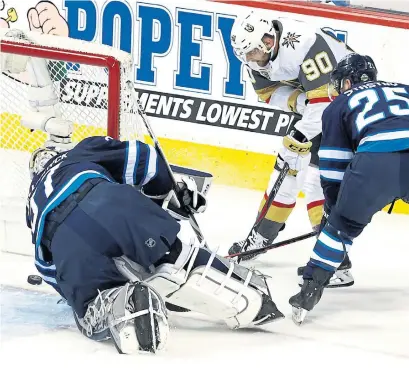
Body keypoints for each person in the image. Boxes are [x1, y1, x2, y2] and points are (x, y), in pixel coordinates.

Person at [228, 10, 355, 288]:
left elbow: (325, 102)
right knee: (288, 170)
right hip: (321, 106)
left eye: (252, 52)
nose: (248, 59)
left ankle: (336, 263)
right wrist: (302, 104)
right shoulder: (256, 57)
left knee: (314, 181)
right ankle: (262, 236)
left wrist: (300, 131)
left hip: (348, 106)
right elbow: (269, 94)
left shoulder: (305, 43)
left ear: (268, 41)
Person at [289, 53, 409, 324]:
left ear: (346, 82)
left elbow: (333, 169)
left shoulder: (338, 106)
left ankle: (310, 290)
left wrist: (334, 212)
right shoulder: (404, 90)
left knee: (340, 228)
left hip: (379, 159)